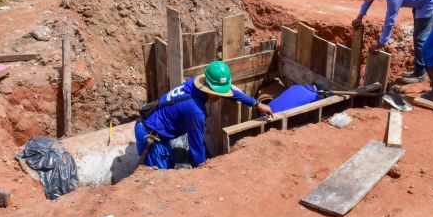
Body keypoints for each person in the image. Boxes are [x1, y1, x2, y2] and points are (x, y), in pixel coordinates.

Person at [135, 60, 274, 169]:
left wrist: (256, 103)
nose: (220, 97)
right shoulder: (195, 111)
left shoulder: (196, 83)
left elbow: (230, 91)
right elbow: (196, 146)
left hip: (157, 127)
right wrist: (203, 170)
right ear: (207, 87)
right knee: (161, 181)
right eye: (217, 93)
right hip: (150, 137)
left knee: (170, 167)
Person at [353, 0, 433, 84]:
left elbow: (390, 20)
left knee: (420, 38)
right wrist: (360, 17)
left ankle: (420, 72)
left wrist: (381, 44)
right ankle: (419, 68)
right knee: (419, 35)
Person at [266, 80, 330, 114]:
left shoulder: (297, 86)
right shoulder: (314, 98)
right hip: (275, 118)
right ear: (321, 93)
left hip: (266, 109)